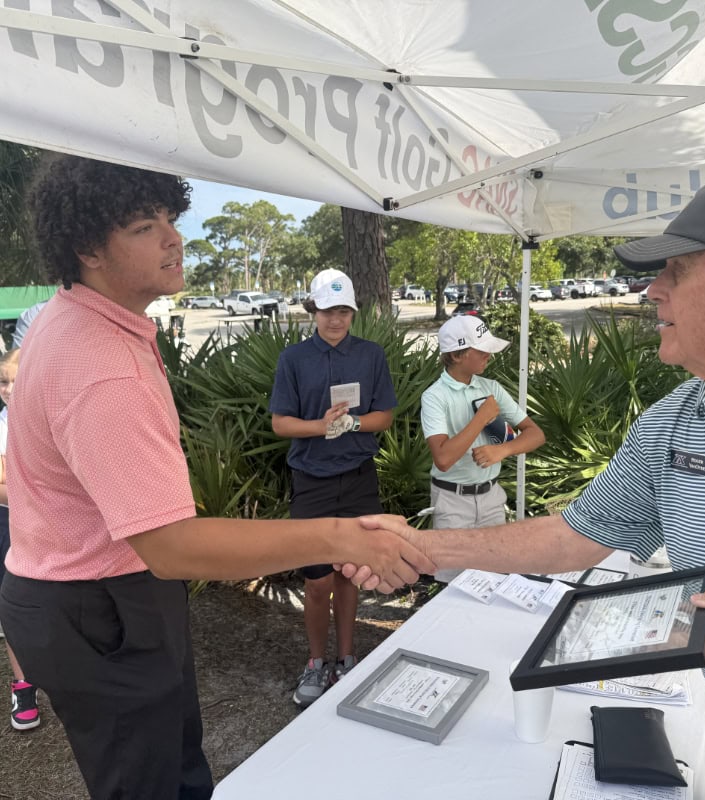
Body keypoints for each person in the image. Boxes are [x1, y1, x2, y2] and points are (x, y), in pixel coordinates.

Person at [0, 154, 433, 800]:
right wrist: (339, 537)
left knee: (173, 770)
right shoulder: (99, 364)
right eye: (145, 226)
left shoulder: (69, 322)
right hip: (101, 600)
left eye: (169, 216)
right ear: (89, 246)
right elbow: (172, 546)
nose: (174, 237)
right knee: (150, 783)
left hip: (86, 588)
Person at [355, 175, 705, 799]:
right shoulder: (674, 418)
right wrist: (420, 549)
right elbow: (574, 536)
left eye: (676, 271)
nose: (653, 290)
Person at [269, 268, 396, 707]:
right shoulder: (294, 359)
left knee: (349, 575)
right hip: (312, 482)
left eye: (344, 311)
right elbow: (280, 422)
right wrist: (320, 426)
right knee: (318, 581)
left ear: (353, 312)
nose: (336, 320)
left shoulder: (371, 354)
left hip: (359, 477)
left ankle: (347, 657)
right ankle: (316, 661)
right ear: (313, 311)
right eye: (327, 310)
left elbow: (385, 415)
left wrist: (352, 422)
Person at [421, 315, 545, 581]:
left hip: (491, 498)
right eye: (482, 349)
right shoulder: (434, 397)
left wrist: (502, 451)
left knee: (496, 578)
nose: (489, 354)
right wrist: (481, 418)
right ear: (457, 355)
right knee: (454, 584)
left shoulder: (492, 388)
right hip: (452, 502)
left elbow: (536, 434)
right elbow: (443, 459)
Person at [0, 348, 40, 731]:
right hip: (8, 528)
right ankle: (23, 686)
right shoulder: (1, 425)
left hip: (50, 531)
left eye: (16, 379)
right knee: (13, 608)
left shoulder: (47, 418)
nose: (10, 389)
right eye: (2, 382)